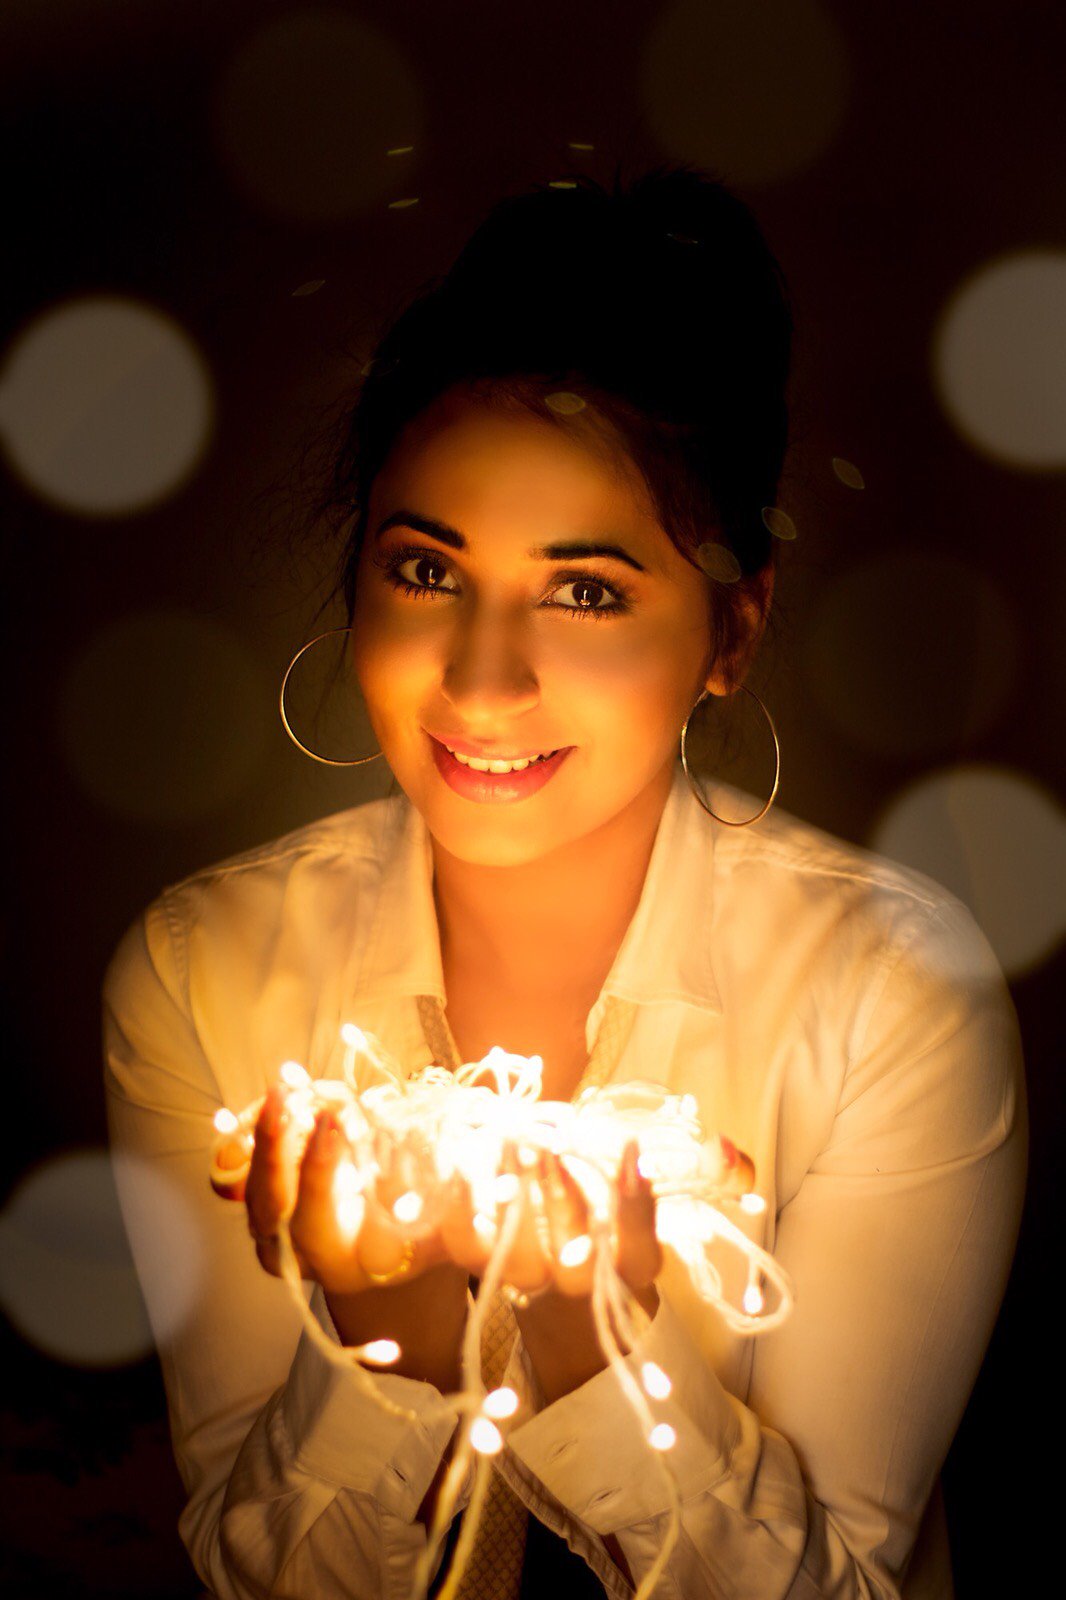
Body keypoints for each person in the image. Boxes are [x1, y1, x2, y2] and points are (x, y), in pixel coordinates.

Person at [102, 165, 1027, 1600]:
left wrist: (585, 1346)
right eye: (426, 571)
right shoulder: (204, 971)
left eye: (585, 591)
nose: (480, 678)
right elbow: (253, 1571)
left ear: (728, 631)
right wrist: (387, 1327)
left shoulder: (888, 992)